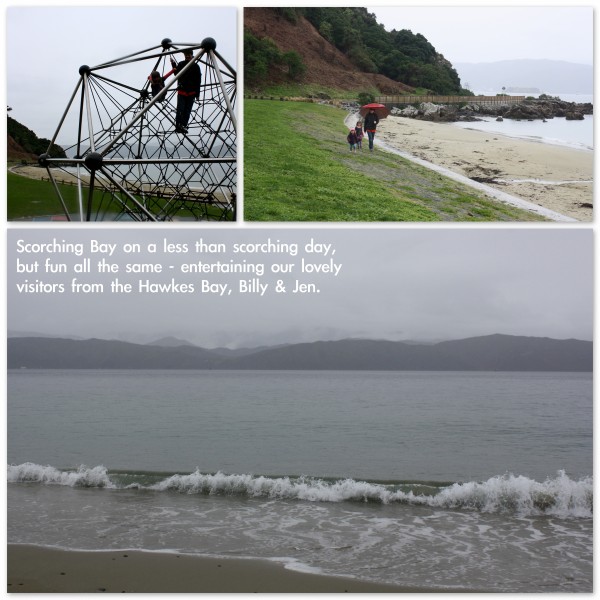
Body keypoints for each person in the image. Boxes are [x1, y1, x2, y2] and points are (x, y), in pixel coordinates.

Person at [170, 48, 201, 133]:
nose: (187, 56)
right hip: (182, 90)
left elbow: (198, 80)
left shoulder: (196, 66)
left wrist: (197, 94)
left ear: (192, 55)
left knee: (187, 110)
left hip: (191, 92)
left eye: (189, 54)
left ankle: (183, 125)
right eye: (186, 54)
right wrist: (173, 65)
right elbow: (177, 74)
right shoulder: (181, 64)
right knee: (180, 109)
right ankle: (178, 126)